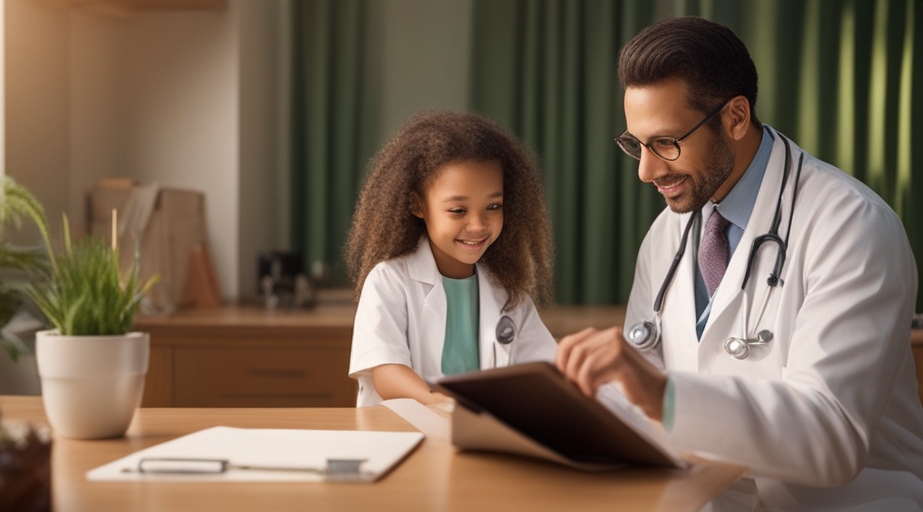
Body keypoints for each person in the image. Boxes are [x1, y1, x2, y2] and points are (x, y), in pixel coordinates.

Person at [556, 16, 923, 510]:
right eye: (636, 145)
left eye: (666, 143)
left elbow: (831, 438)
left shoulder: (851, 225)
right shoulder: (668, 234)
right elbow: (642, 402)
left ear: (735, 117)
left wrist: (660, 395)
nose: (646, 170)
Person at [347, 110, 556, 408]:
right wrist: (442, 405)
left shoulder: (508, 291)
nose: (478, 225)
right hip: (405, 434)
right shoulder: (389, 281)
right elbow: (387, 372)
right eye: (458, 210)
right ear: (418, 205)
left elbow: (545, 368)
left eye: (493, 206)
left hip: (478, 437)